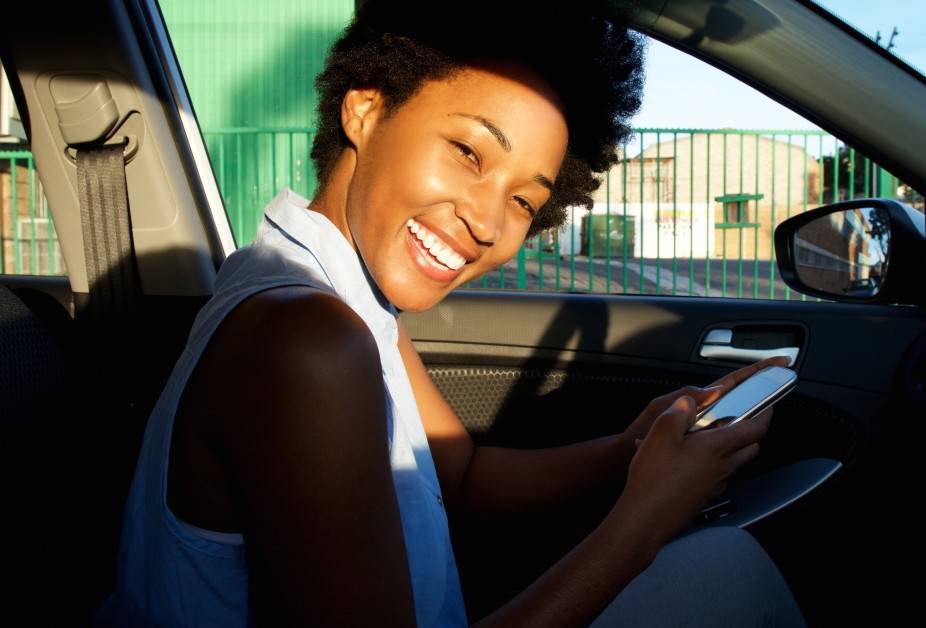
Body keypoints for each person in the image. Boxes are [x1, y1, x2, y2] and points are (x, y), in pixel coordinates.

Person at [96, 2, 806, 626]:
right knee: (733, 569)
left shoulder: (334, 292)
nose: (488, 223)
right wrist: (647, 518)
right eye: (468, 152)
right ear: (364, 109)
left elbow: (460, 476)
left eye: (524, 200)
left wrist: (630, 449)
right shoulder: (308, 340)